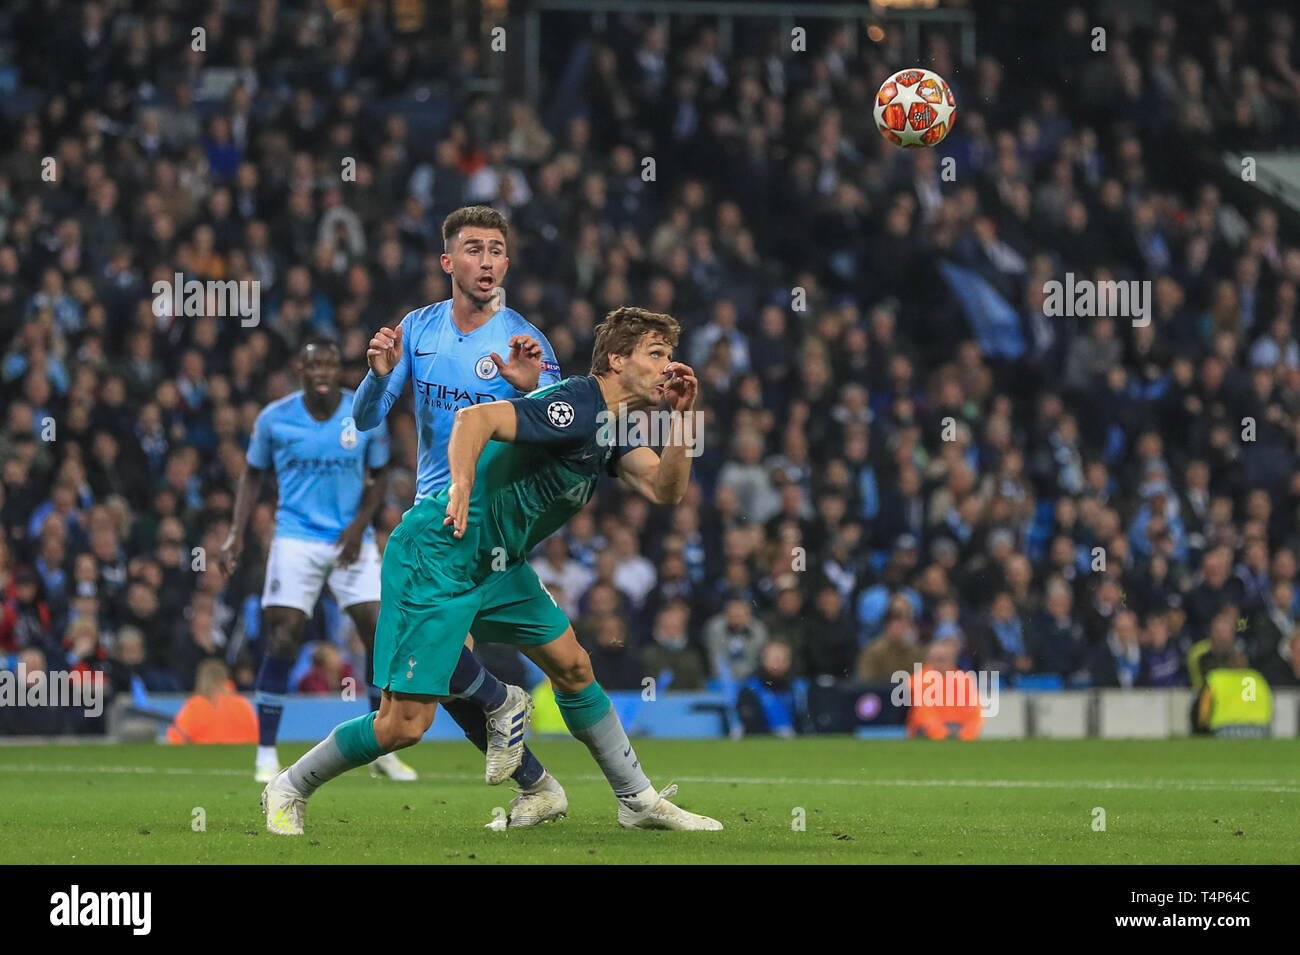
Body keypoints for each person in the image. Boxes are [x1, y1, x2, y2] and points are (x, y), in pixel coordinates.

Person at [263, 305, 722, 834]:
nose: (670, 366)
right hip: (437, 553)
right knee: (403, 726)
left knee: (573, 666)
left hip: (497, 564)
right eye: (657, 354)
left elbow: (667, 489)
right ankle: (289, 785)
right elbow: (473, 419)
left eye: (672, 355)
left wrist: (683, 417)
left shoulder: (611, 426)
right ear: (617, 360)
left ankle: (636, 800)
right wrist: (458, 486)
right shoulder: (575, 403)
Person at [220, 336, 417, 782]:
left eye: (330, 364)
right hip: (296, 538)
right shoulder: (275, 419)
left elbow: (380, 471)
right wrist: (235, 534)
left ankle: (381, 746)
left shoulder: (364, 410)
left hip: (352, 538)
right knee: (283, 636)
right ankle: (266, 751)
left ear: (338, 369)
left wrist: (359, 524)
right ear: (300, 370)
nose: (323, 373)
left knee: (377, 628)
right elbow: (252, 475)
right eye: (314, 366)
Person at [166, 658, 258, 744]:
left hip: (205, 758)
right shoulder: (243, 704)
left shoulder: (195, 706)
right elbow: (256, 736)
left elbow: (177, 738)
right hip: (241, 757)